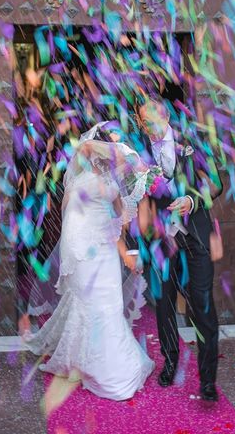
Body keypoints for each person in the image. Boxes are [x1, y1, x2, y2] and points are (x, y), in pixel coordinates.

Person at [24, 121, 155, 401]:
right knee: (92, 305)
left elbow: (118, 215)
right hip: (82, 248)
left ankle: (112, 363)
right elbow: (68, 215)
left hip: (105, 248)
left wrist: (126, 249)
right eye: (112, 142)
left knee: (111, 304)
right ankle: (94, 366)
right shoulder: (83, 164)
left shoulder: (112, 179)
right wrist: (124, 151)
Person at [135, 97, 223, 401]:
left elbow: (216, 182)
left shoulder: (192, 141)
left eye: (155, 122)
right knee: (165, 307)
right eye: (145, 123)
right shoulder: (139, 150)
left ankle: (208, 379)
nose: (151, 128)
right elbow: (136, 195)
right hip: (161, 241)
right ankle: (170, 361)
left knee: (203, 306)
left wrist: (193, 201)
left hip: (195, 238)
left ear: (166, 115)